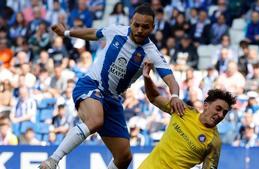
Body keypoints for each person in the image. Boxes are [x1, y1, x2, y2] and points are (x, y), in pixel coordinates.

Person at [39, 3, 184, 169]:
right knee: (95, 120)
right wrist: (66, 32)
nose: (139, 30)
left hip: (112, 99)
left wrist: (174, 96)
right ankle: (52, 161)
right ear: (131, 22)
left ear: (152, 28)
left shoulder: (151, 52)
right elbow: (93, 33)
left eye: (145, 27)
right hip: (91, 84)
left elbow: (171, 80)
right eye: (136, 25)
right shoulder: (116, 31)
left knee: (124, 157)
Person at [138, 61, 236, 169]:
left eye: (224, 113)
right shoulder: (183, 110)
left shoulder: (214, 142)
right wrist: (147, 78)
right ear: (206, 105)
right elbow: (154, 98)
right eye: (218, 109)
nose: (221, 115)